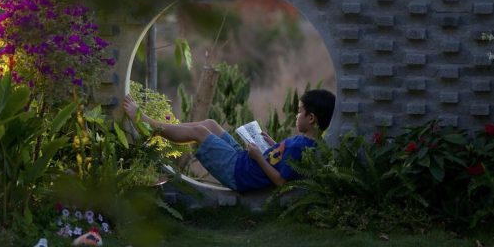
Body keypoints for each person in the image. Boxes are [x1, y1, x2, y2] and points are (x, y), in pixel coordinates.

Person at [122, 88, 335, 192]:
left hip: (240, 173)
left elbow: (281, 181)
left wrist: (259, 158)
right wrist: (273, 145)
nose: (297, 116)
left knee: (200, 132)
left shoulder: (302, 147)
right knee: (210, 124)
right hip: (245, 162)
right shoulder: (305, 143)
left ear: (311, 118)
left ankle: (148, 124)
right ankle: (155, 128)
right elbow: (281, 160)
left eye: (299, 111)